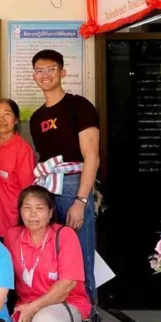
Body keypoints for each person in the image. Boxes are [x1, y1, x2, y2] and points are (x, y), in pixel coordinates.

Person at [2, 185, 92, 322]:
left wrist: (33, 308)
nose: (33, 215)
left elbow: (67, 284)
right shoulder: (12, 236)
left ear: (51, 212)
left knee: (45, 321)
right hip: (27, 307)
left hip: (68, 303)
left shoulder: (64, 235)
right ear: (20, 211)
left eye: (40, 208)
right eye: (27, 208)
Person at [29, 49, 100, 301]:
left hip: (73, 188)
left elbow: (91, 156)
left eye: (51, 69)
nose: (45, 75)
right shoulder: (37, 118)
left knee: (80, 255)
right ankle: (60, 315)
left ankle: (88, 321)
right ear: (34, 76)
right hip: (47, 190)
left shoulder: (78, 105)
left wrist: (80, 201)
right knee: (53, 255)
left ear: (62, 72)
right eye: (40, 70)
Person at [0, 99, 36, 236]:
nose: (1, 119)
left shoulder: (23, 149)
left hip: (13, 223)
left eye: (7, 114)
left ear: (15, 120)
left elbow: (28, 191)